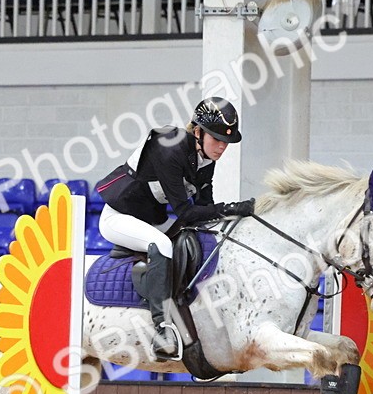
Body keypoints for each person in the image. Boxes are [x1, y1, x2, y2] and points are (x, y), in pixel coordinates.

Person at [95, 96, 255, 360]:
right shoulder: (168, 147)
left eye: (225, 142)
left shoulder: (205, 160)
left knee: (198, 238)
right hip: (118, 216)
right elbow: (186, 212)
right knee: (162, 245)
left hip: (151, 218)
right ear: (197, 132)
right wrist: (232, 208)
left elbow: (205, 206)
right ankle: (162, 330)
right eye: (216, 139)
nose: (221, 147)